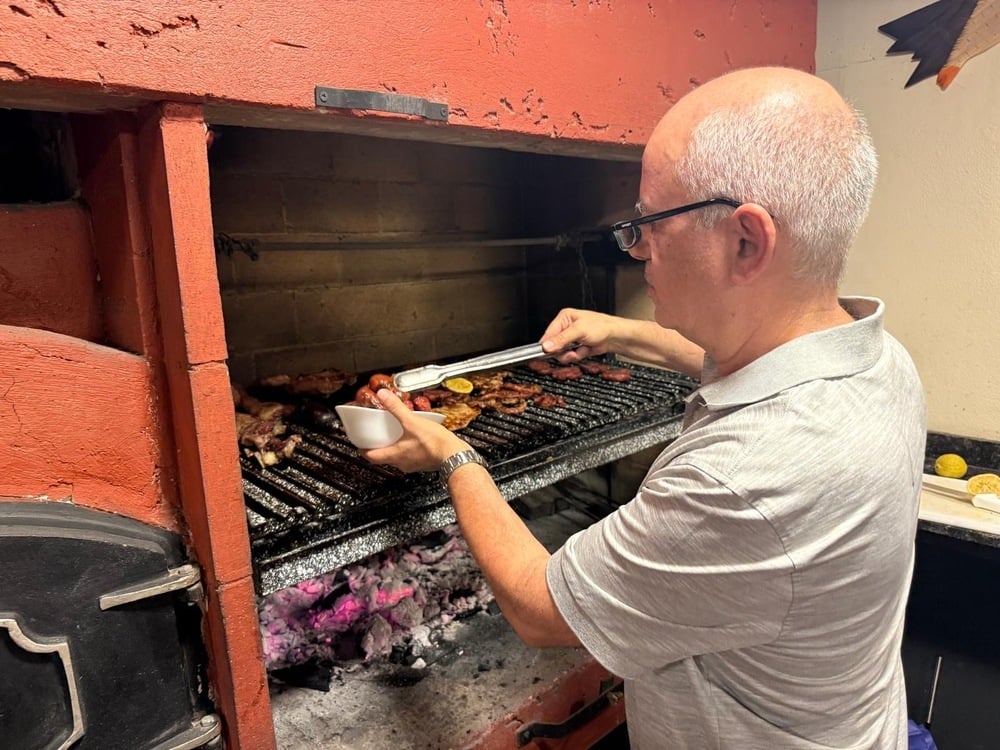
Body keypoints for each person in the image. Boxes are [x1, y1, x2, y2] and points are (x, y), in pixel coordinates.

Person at [363, 66, 926, 749]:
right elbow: (753, 367)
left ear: (746, 241)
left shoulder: (745, 479)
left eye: (647, 222)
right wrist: (625, 331)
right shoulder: (876, 359)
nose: (637, 248)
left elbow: (542, 610)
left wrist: (454, 454)